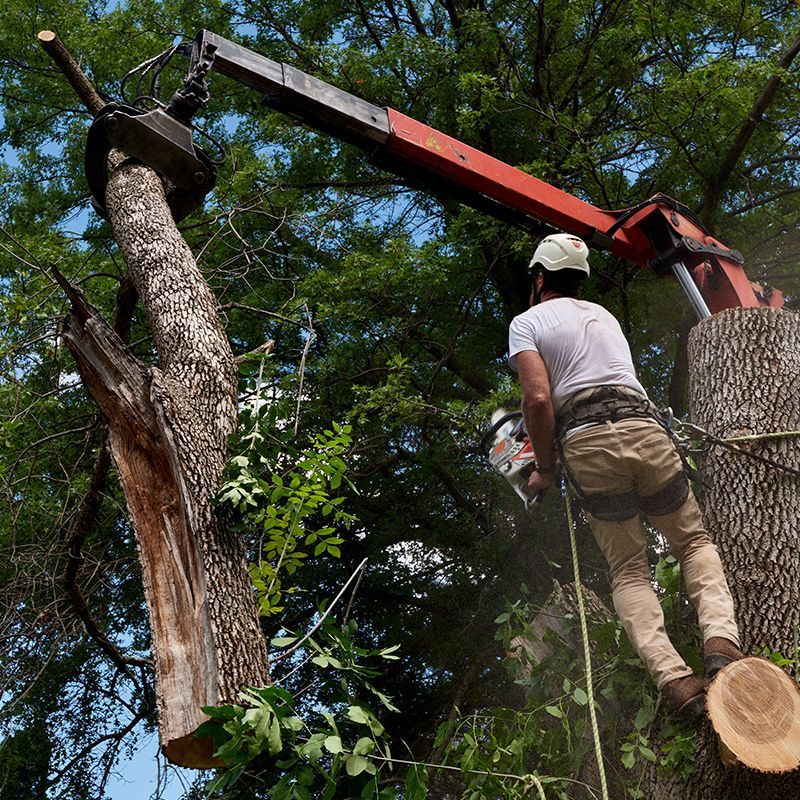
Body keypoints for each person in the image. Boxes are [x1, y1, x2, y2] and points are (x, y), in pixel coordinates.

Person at [507, 232, 745, 716]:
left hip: (587, 444)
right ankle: (721, 643)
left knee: (629, 569)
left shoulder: (526, 322)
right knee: (694, 543)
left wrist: (545, 470)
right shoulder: (604, 316)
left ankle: (677, 682)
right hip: (644, 428)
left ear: (538, 277)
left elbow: (536, 400)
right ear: (580, 278)